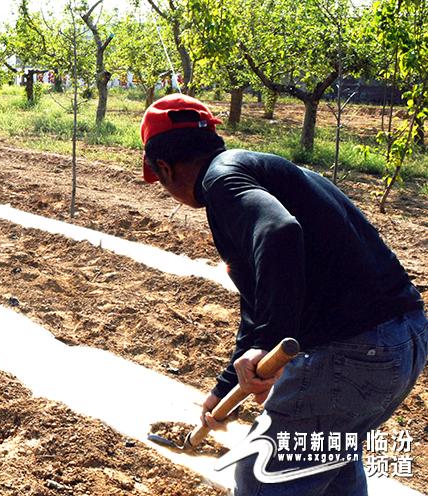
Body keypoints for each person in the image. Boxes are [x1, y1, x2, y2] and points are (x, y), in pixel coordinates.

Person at [140, 93, 427, 495]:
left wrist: (268, 345)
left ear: (165, 169)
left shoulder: (222, 182)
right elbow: (257, 303)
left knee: (261, 476)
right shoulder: (257, 171)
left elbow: (280, 233)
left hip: (356, 351)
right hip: (404, 341)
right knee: (330, 464)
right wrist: (224, 388)